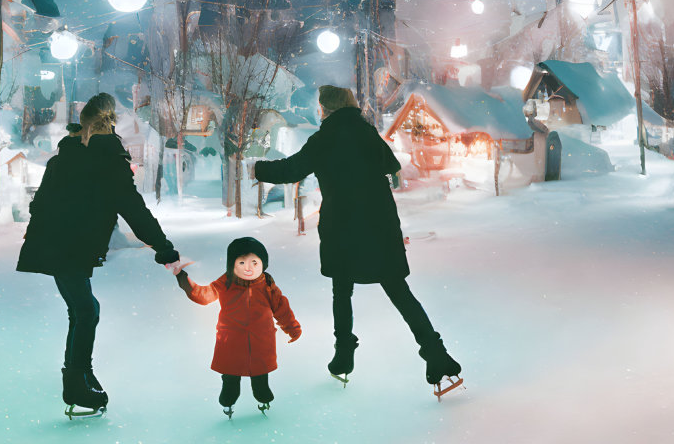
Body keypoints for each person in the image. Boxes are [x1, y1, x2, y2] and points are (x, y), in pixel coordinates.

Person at [254, 85, 462, 392]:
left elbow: (291, 170)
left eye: (320, 106)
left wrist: (256, 168)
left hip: (343, 227)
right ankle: (436, 354)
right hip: (379, 225)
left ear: (326, 108)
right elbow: (392, 166)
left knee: (342, 290)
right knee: (399, 291)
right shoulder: (366, 133)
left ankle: (343, 356)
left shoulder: (324, 139)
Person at [17, 95, 181, 415]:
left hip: (54, 243)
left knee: (83, 310)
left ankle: (79, 373)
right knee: (86, 311)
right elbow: (134, 210)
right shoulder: (109, 161)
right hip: (71, 247)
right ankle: (76, 383)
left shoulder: (62, 158)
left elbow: (38, 204)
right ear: (112, 121)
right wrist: (162, 246)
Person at [174, 236, 301, 417]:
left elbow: (282, 308)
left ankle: (263, 398)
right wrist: (183, 279)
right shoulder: (225, 283)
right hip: (231, 341)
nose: (248, 268)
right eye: (242, 262)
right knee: (230, 377)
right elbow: (203, 295)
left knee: (260, 376)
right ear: (232, 264)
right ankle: (228, 401)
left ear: (263, 264)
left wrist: (292, 328)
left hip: (261, 341)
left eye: (254, 262)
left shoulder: (267, 286)